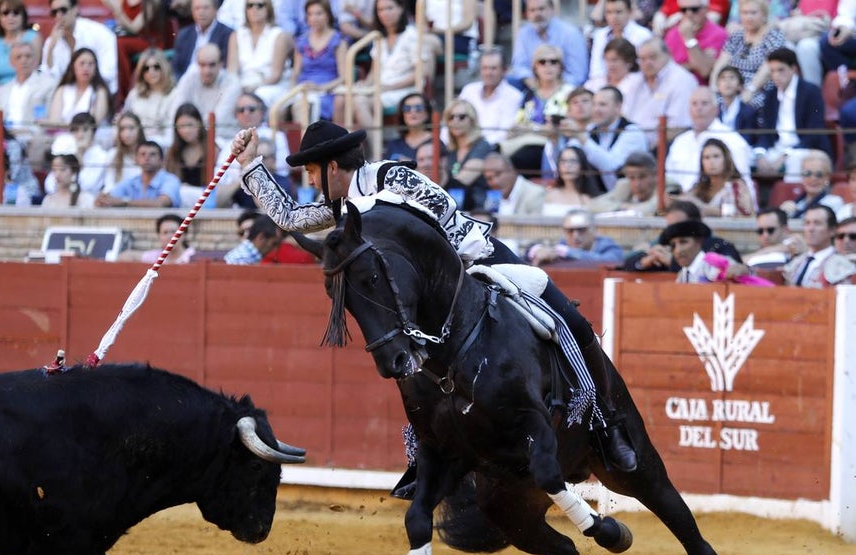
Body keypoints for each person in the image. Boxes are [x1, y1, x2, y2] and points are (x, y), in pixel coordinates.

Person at [232, 120, 639, 470]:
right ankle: (429, 458)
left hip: (480, 259)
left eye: (311, 171)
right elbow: (292, 218)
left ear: (332, 166)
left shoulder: (391, 177)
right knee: (413, 364)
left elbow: (441, 208)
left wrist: (372, 214)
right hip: (439, 296)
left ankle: (608, 422)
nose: (309, 180)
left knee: (569, 319)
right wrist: (250, 164)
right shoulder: (343, 206)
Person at [334, 0, 425, 134]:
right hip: (380, 89)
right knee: (341, 98)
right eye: (380, 10)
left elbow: (420, 73)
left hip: (403, 89)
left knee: (359, 102)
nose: (384, 13)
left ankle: (375, 145)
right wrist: (365, 84)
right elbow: (374, 71)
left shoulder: (412, 35)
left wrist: (390, 87)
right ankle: (341, 143)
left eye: (389, 8)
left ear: (400, 9)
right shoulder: (379, 37)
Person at [754, 48, 832, 177]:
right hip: (777, 148)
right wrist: (760, 154)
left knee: (794, 161)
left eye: (781, 70)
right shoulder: (770, 94)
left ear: (793, 68)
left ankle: (791, 190)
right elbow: (765, 131)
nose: (776, 75)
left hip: (804, 148)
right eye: (772, 71)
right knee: (749, 157)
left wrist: (786, 155)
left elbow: (814, 132)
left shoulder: (811, 91)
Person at [664, 86, 753, 193]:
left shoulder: (732, 140)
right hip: (679, 199)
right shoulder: (680, 141)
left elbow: (743, 186)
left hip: (716, 200)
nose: (698, 108)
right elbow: (668, 180)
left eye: (704, 103)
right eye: (694, 104)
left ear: (716, 109)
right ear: (689, 109)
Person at [502, 43, 573, 175]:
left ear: (561, 67)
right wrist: (540, 129)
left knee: (518, 159)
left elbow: (561, 129)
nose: (548, 66)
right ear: (535, 67)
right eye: (542, 62)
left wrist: (531, 128)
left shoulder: (569, 93)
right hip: (525, 144)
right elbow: (517, 126)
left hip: (556, 146)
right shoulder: (529, 95)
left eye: (553, 62)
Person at [622, 199, 743, 271]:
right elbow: (627, 263)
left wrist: (673, 262)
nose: (675, 231)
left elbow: (725, 271)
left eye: (681, 226)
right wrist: (644, 261)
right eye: (671, 227)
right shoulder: (667, 243)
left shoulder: (720, 246)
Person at [568, 86, 647, 192]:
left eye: (602, 105)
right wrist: (555, 142)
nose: (596, 109)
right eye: (594, 104)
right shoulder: (591, 129)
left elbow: (611, 166)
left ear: (618, 107)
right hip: (598, 196)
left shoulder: (632, 132)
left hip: (629, 196)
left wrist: (582, 138)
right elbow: (569, 155)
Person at [709, 0, 785, 110]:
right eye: (745, 13)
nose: (748, 17)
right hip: (732, 87)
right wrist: (713, 87)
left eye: (753, 13)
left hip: (759, 89)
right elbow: (721, 62)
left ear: (764, 15)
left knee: (748, 106)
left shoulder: (773, 36)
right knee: (711, 102)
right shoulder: (736, 36)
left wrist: (750, 90)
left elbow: (767, 68)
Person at [40, 0, 119, 97]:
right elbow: (47, 77)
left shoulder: (99, 33)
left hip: (98, 92)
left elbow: (108, 74)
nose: (58, 15)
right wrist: (51, 48)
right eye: (54, 12)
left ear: (75, 9)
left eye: (63, 10)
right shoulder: (52, 41)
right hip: (65, 96)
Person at [621, 38, 698, 137]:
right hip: (628, 139)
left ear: (668, 54)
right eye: (643, 59)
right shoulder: (634, 80)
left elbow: (678, 127)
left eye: (653, 57)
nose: (648, 62)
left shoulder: (682, 80)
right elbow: (621, 114)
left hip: (663, 143)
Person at [661, 219, 774, 285]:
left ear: (698, 243)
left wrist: (743, 270)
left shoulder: (713, 262)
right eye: (673, 245)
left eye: (683, 242)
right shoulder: (683, 274)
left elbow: (741, 272)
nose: (678, 250)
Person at [0, 41, 58, 152]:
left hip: (31, 137)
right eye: (18, 57)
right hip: (5, 137)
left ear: (35, 60)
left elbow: (51, 119)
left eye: (28, 56)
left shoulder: (48, 85)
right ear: (11, 62)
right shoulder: (1, 91)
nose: (24, 60)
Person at [168, 44, 240, 143]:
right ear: (197, 64)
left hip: (223, 139)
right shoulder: (189, 78)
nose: (207, 70)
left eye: (212, 65)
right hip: (190, 135)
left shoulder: (232, 83)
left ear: (221, 64)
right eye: (202, 65)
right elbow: (176, 111)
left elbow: (218, 121)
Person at [228, 0, 293, 110]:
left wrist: (254, 87)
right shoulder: (236, 35)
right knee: (228, 95)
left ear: (268, 9)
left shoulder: (279, 35)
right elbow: (232, 71)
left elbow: (275, 76)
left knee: (255, 98)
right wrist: (238, 87)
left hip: (270, 86)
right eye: (250, 6)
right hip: (242, 85)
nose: (254, 9)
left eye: (260, 5)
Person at [507, 0, 588, 88]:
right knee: (508, 81)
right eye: (532, 10)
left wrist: (552, 87)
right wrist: (534, 85)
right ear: (527, 13)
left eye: (541, 9)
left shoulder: (570, 34)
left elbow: (577, 75)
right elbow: (519, 66)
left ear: (552, 9)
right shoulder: (524, 33)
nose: (537, 14)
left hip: (564, 87)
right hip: (532, 85)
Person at [289, 0, 345, 125]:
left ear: (328, 15)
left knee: (305, 106)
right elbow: (295, 72)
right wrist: (293, 88)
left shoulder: (338, 41)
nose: (314, 18)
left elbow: (343, 77)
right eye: (310, 14)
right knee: (286, 105)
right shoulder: (301, 41)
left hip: (328, 91)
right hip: (303, 89)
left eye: (319, 13)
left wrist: (320, 87)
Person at [458, 46, 523, 146]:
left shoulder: (514, 96)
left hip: (492, 149)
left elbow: (504, 134)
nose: (488, 73)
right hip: (463, 145)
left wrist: (474, 145)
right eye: (485, 68)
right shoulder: (469, 90)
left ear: (504, 70)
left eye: (493, 68)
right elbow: (454, 118)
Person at [678, 137, 755, 218]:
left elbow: (744, 215)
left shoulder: (737, 186)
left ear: (726, 159)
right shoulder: (699, 187)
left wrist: (704, 208)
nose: (711, 162)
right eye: (706, 157)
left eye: (716, 156)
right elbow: (685, 200)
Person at [96, 140, 181, 208]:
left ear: (162, 160)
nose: (147, 158)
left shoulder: (171, 180)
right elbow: (109, 198)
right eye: (143, 154)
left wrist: (124, 202)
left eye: (152, 154)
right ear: (136, 160)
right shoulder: (131, 181)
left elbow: (161, 203)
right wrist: (103, 199)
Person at [527, 209, 625, 266]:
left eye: (581, 230)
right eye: (570, 231)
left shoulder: (608, 246)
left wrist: (567, 252)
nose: (575, 235)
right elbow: (528, 254)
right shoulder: (562, 245)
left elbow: (610, 261)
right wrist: (537, 250)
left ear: (594, 231)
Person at [442, 99, 492, 210]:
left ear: (472, 121)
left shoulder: (482, 146)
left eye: (461, 117)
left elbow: (464, 179)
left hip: (479, 208)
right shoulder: (450, 150)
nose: (455, 121)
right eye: (451, 117)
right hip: (455, 207)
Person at [663, 0, 727, 85]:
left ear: (706, 9)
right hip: (675, 86)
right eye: (684, 10)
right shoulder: (672, 34)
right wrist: (696, 61)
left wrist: (689, 39)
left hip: (702, 88)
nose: (689, 14)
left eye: (694, 9)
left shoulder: (719, 34)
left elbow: (705, 71)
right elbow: (665, 70)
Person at [46, 48, 112, 130]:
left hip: (89, 135)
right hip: (61, 135)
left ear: (95, 69)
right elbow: (54, 121)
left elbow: (95, 123)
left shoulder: (99, 92)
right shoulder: (62, 90)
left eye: (90, 64)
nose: (86, 68)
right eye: (82, 63)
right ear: (73, 67)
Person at [783, 204, 849, 287]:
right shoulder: (796, 262)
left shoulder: (841, 264)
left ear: (832, 230)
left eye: (817, 223)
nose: (810, 229)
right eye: (807, 223)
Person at [588, 0, 652, 84]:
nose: (614, 17)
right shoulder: (600, 35)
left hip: (635, 84)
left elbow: (643, 69)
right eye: (609, 12)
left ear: (629, 12)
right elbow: (596, 70)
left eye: (618, 12)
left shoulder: (643, 35)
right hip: (604, 84)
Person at [122, 48, 176, 147]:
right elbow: (125, 119)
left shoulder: (174, 94)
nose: (151, 71)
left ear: (164, 68)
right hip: (134, 143)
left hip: (162, 144)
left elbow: (172, 130)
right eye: (146, 68)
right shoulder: (135, 94)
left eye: (156, 67)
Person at [0, 0, 41, 89]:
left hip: (28, 90)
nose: (10, 17)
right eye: (5, 13)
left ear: (23, 16)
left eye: (16, 13)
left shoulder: (34, 37)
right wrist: (1, 94)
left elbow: (34, 70)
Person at [588, 151, 664, 215]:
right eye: (632, 178)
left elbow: (649, 210)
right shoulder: (625, 185)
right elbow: (592, 205)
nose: (637, 184)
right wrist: (621, 206)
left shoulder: (666, 187)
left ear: (655, 175)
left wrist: (624, 209)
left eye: (642, 177)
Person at [172, 0, 234, 79]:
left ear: (215, 10)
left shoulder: (227, 34)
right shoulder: (184, 35)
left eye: (205, 8)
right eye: (197, 8)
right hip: (185, 82)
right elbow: (176, 67)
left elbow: (225, 66)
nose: (201, 12)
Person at [779, 150, 844, 219]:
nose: (813, 178)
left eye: (819, 174)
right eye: (807, 173)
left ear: (827, 177)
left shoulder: (834, 203)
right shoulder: (795, 204)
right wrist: (783, 215)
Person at [542, 146, 603, 217]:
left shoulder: (593, 199)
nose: (567, 165)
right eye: (563, 161)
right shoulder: (549, 195)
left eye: (573, 161)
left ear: (582, 165)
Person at [482, 151, 545, 216]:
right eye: (489, 178)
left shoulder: (535, 193)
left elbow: (536, 222)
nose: (495, 181)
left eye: (498, 174)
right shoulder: (491, 200)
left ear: (511, 170)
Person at [117, 212, 196, 263]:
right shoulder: (156, 256)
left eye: (173, 232)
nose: (169, 236)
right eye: (165, 233)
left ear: (184, 235)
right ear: (159, 236)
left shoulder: (194, 256)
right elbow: (126, 256)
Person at [164, 103, 207, 187]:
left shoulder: (212, 149)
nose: (186, 130)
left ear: (199, 123)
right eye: (181, 126)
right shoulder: (172, 153)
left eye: (190, 125)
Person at [386, 92, 434, 163]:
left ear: (427, 113)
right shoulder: (394, 144)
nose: (413, 111)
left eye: (419, 108)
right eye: (407, 108)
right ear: (402, 115)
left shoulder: (436, 141)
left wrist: (410, 163)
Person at [715, 66, 759, 134]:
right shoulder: (715, 112)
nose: (727, 82)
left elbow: (748, 137)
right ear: (718, 87)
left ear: (740, 86)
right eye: (723, 78)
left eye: (732, 78)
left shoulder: (748, 111)